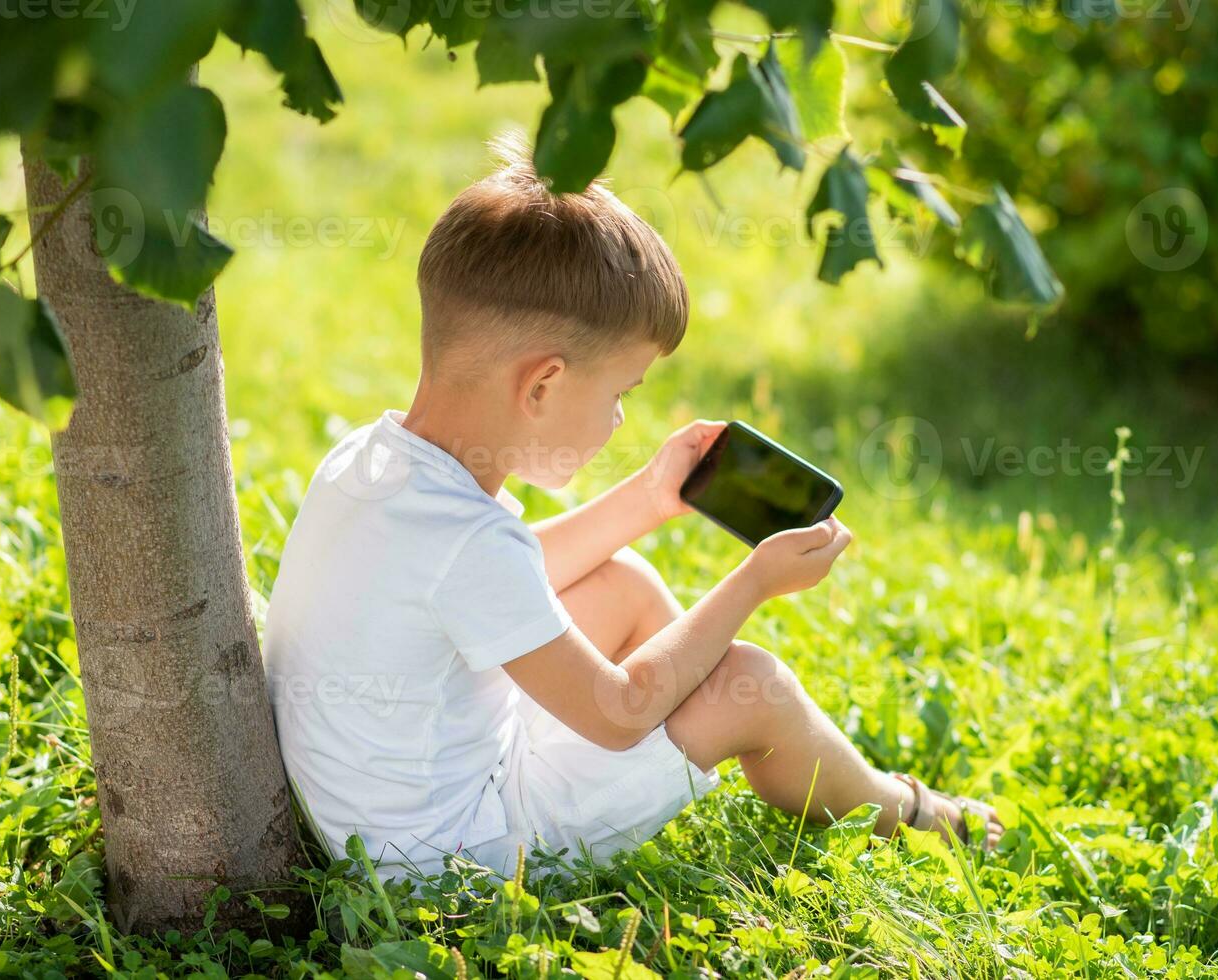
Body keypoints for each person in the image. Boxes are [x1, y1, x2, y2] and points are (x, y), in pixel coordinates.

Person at [263, 137, 1002, 881]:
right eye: (620, 393)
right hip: (463, 855)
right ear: (543, 385)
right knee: (754, 684)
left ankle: (689, 736)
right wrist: (751, 584)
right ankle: (904, 809)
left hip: (392, 806)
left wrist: (651, 497)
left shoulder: (371, 459)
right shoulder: (470, 541)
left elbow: (493, 580)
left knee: (623, 583)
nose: (619, 418)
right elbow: (615, 714)